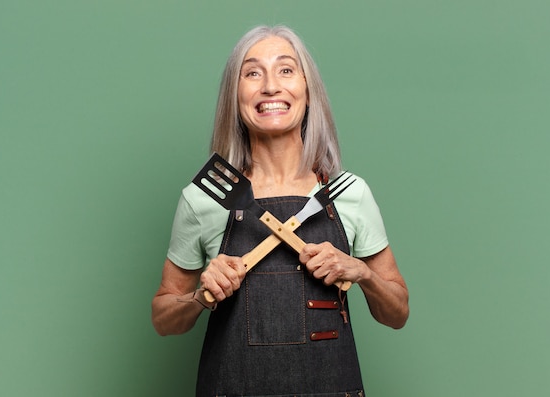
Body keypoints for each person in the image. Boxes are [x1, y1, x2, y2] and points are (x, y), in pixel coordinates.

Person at [151, 25, 409, 396]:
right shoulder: (204, 198)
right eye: (252, 72)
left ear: (308, 90)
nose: (270, 86)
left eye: (285, 70)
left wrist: (363, 273)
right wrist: (199, 297)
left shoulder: (349, 194)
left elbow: (397, 314)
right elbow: (163, 319)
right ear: (235, 96)